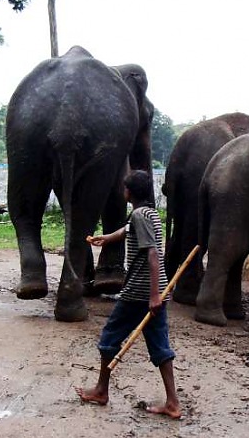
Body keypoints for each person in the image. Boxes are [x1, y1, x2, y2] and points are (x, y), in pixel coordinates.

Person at [75, 170, 181, 419]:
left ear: (128, 193)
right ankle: (173, 402)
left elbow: (152, 253)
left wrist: (152, 295)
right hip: (156, 292)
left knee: (109, 338)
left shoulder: (139, 215)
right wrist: (106, 239)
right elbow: (127, 231)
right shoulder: (149, 214)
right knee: (160, 347)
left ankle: (101, 390)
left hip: (140, 293)